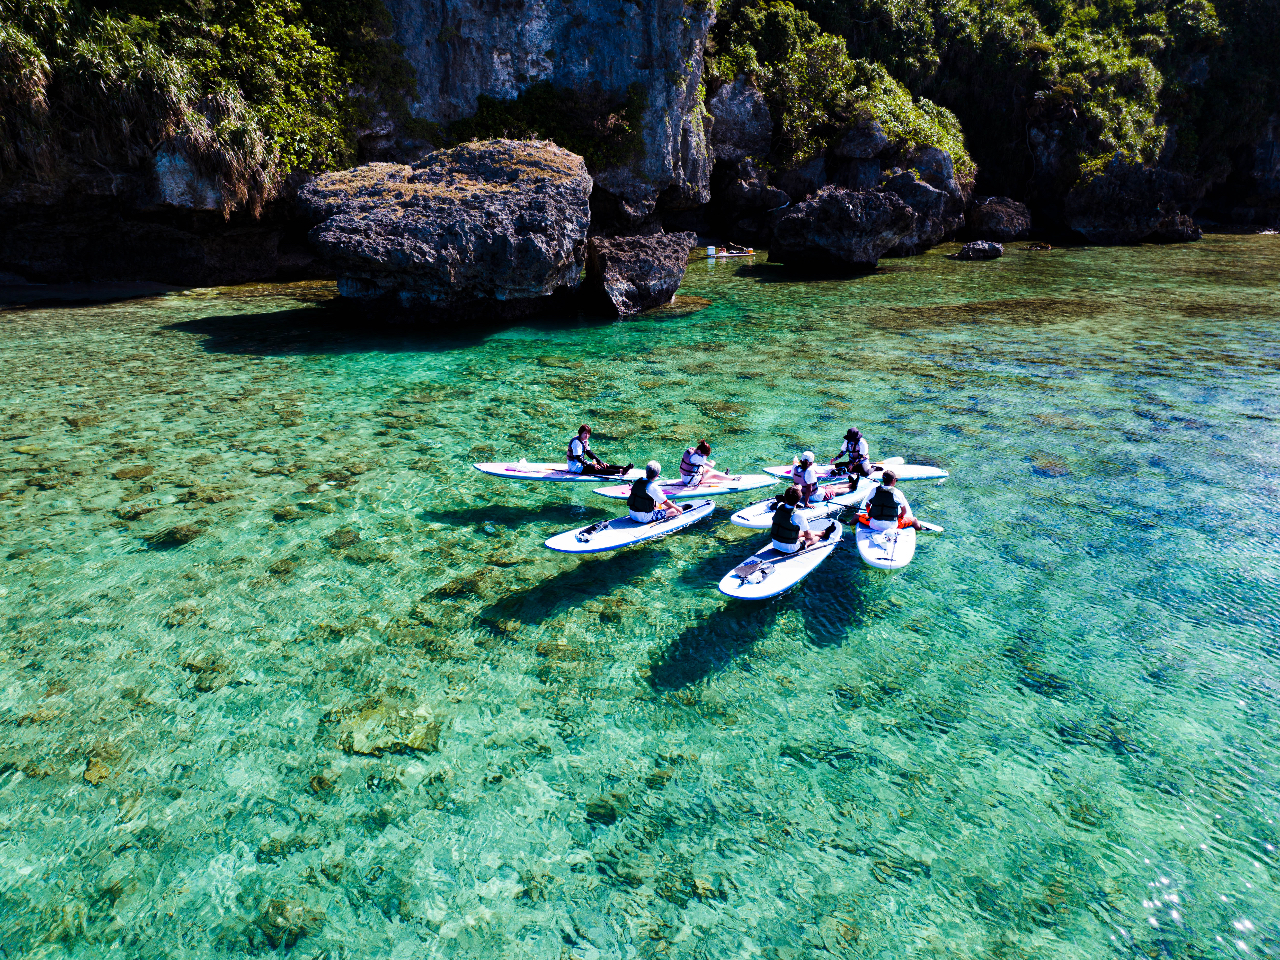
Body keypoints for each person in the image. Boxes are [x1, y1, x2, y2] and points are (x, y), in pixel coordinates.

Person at [770, 486, 834, 553]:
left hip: (775, 544)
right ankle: (820, 536)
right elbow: (807, 534)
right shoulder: (798, 514)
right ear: (799, 500)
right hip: (790, 549)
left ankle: (823, 533)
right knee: (812, 538)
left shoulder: (779, 507)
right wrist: (810, 536)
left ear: (785, 497)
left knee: (800, 532)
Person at [858, 469, 923, 531]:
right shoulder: (897, 493)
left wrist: (871, 515)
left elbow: (867, 506)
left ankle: (851, 528)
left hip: (874, 524)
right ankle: (922, 530)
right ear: (893, 480)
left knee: (856, 516)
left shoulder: (874, 490)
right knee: (914, 520)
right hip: (892, 526)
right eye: (896, 480)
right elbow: (904, 512)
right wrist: (898, 517)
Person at [566, 424, 632, 476]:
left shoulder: (584, 441)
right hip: (575, 466)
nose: (587, 436)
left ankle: (624, 467)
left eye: (588, 434)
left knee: (602, 465)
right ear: (580, 433)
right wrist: (591, 465)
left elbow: (590, 453)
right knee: (598, 469)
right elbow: (579, 458)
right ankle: (621, 471)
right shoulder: (576, 442)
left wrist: (600, 462)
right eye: (585, 433)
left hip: (581, 463)